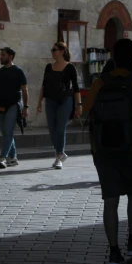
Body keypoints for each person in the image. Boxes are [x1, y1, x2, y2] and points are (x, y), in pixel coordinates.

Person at [84, 38, 132, 264]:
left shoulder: (99, 83)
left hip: (104, 149)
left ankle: (114, 252)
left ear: (113, 57)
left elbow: (87, 117)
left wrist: (95, 148)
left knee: (110, 200)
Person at [36, 41, 82, 169]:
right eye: (52, 50)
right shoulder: (48, 67)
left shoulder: (70, 67)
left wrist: (79, 104)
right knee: (52, 129)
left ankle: (58, 157)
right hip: (50, 100)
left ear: (62, 52)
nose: (52, 52)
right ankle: (61, 153)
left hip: (65, 99)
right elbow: (43, 86)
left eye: (54, 50)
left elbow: (76, 88)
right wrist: (39, 102)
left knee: (60, 128)